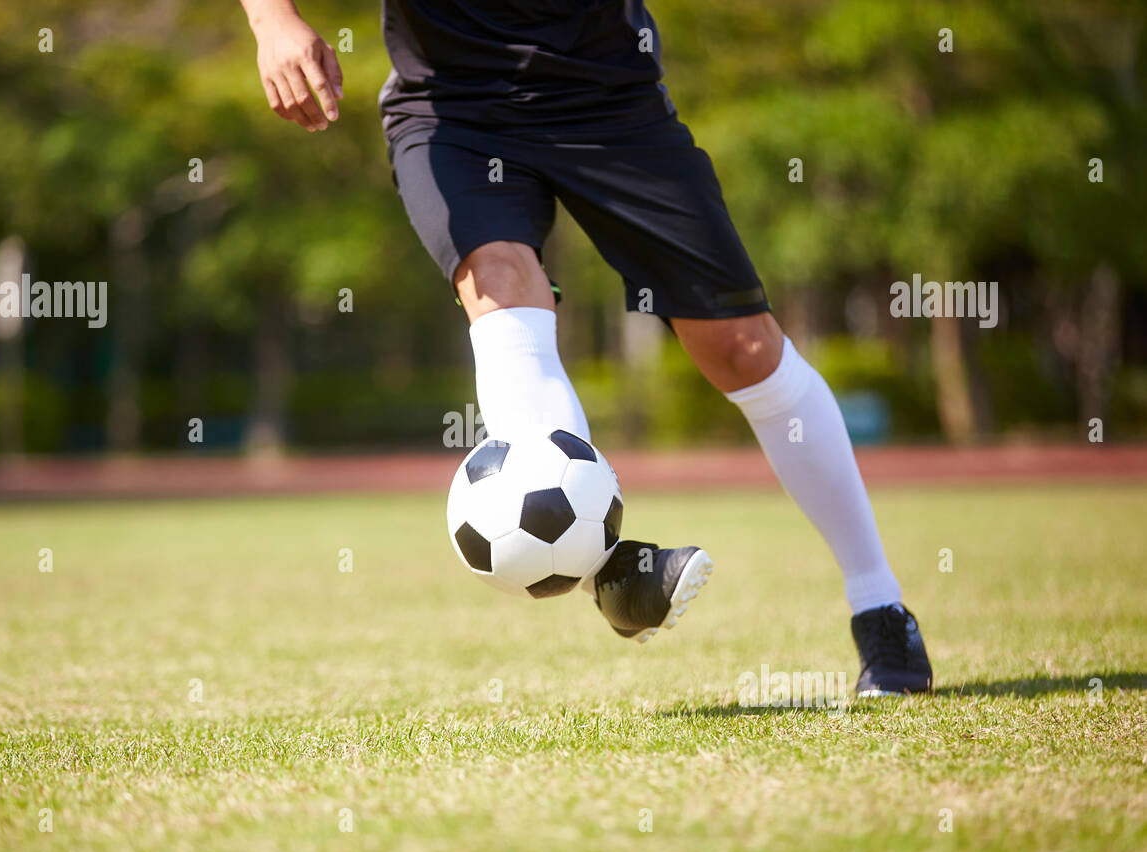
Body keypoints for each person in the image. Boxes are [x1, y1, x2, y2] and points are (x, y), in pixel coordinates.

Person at [239, 0, 933, 694]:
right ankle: (610, 571)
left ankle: (879, 604)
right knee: (499, 277)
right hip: (453, 108)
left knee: (743, 349)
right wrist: (272, 19)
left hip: (609, 97)